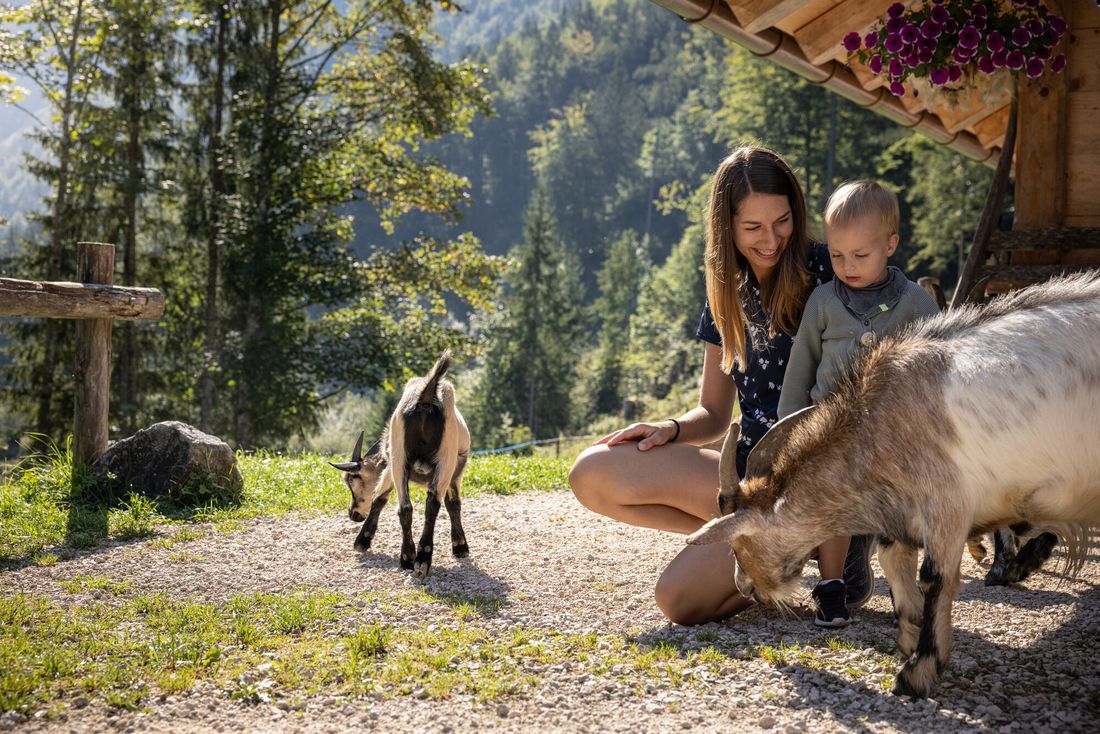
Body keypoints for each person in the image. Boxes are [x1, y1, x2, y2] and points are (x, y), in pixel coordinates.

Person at [570, 145, 864, 625]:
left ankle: (809, 544)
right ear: (726, 228)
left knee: (678, 601)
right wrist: (669, 428)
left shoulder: (831, 271)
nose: (771, 240)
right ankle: (778, 551)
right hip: (744, 478)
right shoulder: (725, 289)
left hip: (812, 483)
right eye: (752, 228)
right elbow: (712, 412)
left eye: (782, 221)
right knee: (591, 473)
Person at [776, 179, 940, 628]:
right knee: (832, 502)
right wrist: (790, 428)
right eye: (836, 255)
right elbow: (802, 365)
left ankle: (906, 589)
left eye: (859, 256)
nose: (846, 266)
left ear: (890, 244)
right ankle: (832, 586)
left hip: (891, 430)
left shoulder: (915, 304)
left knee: (900, 508)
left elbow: (941, 361)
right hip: (830, 429)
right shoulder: (824, 301)